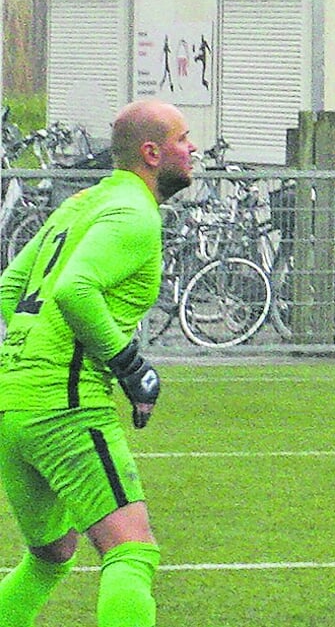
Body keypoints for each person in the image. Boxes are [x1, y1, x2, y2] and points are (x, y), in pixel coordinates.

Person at [0, 99, 192, 627]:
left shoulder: (81, 202)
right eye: (182, 138)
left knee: (51, 555)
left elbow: (11, 286)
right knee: (132, 551)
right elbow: (74, 289)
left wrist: (30, 352)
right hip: (62, 407)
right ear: (151, 154)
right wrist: (129, 365)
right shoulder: (134, 213)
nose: (192, 148)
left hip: (11, 398)